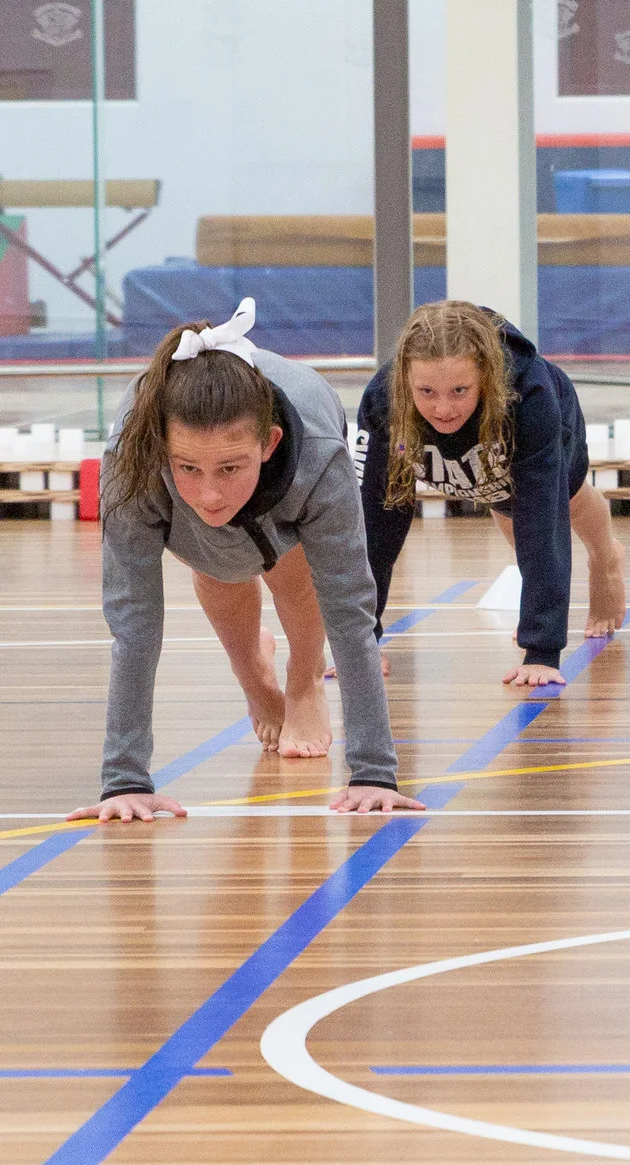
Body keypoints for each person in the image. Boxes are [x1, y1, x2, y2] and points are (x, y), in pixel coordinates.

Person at [76, 299, 424, 824]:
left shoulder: (318, 452)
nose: (211, 493)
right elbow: (134, 621)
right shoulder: (131, 456)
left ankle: (302, 679)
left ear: (269, 444)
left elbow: (351, 611)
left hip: (292, 487)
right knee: (222, 562)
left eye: (229, 467)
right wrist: (124, 779)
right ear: (163, 448)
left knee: (296, 570)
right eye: (188, 466)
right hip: (181, 515)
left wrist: (374, 772)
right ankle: (254, 674)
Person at [358, 299, 627, 688]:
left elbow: (542, 521)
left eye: (460, 390)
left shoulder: (530, 396)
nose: (443, 407)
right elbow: (374, 525)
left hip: (536, 427)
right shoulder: (382, 402)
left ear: (486, 376)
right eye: (427, 391)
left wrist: (541, 648)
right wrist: (361, 641)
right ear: (404, 380)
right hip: (477, 462)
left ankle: (606, 557)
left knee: (563, 500)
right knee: (501, 502)